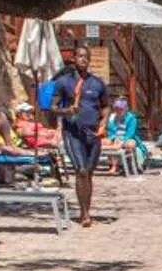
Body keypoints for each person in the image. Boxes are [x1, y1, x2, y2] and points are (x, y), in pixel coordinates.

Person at [46, 42, 107, 226]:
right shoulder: (63, 82)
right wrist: (68, 112)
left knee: (89, 172)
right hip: (73, 132)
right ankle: (84, 214)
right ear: (73, 59)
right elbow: (53, 108)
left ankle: (86, 208)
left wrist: (103, 125)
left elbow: (105, 106)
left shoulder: (97, 83)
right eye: (80, 56)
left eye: (86, 57)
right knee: (80, 171)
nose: (83, 59)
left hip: (93, 133)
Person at [102, 97, 145, 175]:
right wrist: (114, 138)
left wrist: (122, 142)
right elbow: (110, 131)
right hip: (116, 138)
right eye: (116, 108)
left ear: (125, 108)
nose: (118, 110)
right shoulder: (112, 118)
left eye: (120, 109)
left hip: (127, 139)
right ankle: (114, 165)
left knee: (131, 143)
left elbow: (131, 133)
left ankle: (123, 165)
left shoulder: (131, 118)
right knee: (104, 141)